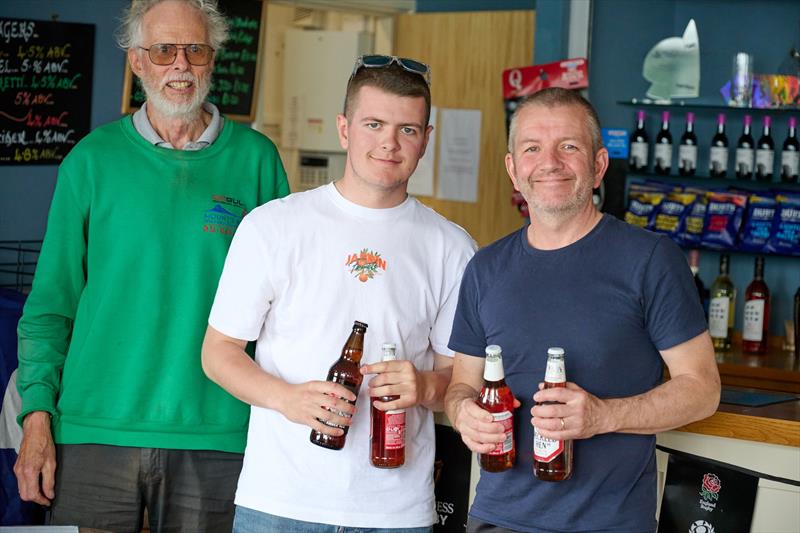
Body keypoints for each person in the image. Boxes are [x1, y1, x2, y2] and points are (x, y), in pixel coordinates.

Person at [14, 0, 289, 530]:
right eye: (164, 50)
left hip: (219, 434)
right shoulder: (91, 162)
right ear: (138, 62)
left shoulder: (257, 162)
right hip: (94, 432)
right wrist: (36, 419)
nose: (180, 65)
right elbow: (50, 308)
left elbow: (287, 311)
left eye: (196, 50)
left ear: (213, 59)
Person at [201, 55, 476, 532]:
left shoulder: (452, 246)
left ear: (426, 139)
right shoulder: (272, 226)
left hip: (397, 512)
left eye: (408, 130)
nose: (389, 143)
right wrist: (287, 398)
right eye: (374, 124)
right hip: (279, 505)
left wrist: (425, 386)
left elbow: (459, 378)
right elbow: (218, 353)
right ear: (344, 128)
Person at [444, 87, 720, 533]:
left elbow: (703, 389)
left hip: (609, 524)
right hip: (495, 520)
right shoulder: (485, 268)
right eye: (532, 148)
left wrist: (604, 416)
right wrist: (463, 415)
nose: (550, 162)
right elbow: (461, 386)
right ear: (513, 170)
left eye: (568, 146)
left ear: (598, 165)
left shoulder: (650, 259)